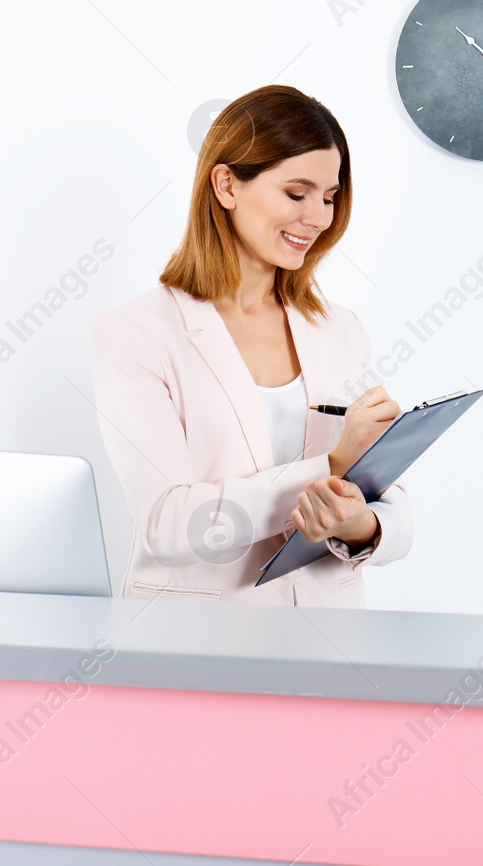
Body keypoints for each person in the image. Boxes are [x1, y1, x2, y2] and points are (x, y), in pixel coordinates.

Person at [90, 84, 411, 606]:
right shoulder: (138, 332)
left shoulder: (340, 329)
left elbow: (393, 510)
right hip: (196, 642)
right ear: (226, 185)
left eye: (329, 197)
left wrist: (358, 525)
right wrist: (329, 467)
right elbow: (167, 525)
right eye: (296, 192)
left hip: (327, 636)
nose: (319, 217)